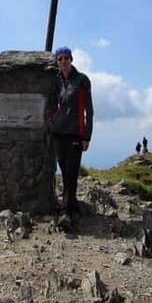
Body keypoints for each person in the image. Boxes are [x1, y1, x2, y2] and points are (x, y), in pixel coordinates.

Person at [49, 46, 93, 220]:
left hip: (76, 133)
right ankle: (72, 204)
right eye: (60, 58)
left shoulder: (82, 80)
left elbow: (89, 110)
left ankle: (65, 212)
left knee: (71, 172)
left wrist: (87, 136)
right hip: (59, 132)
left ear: (71, 59)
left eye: (66, 57)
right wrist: (51, 121)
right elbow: (53, 103)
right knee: (64, 170)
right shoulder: (56, 80)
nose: (63, 61)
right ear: (57, 62)